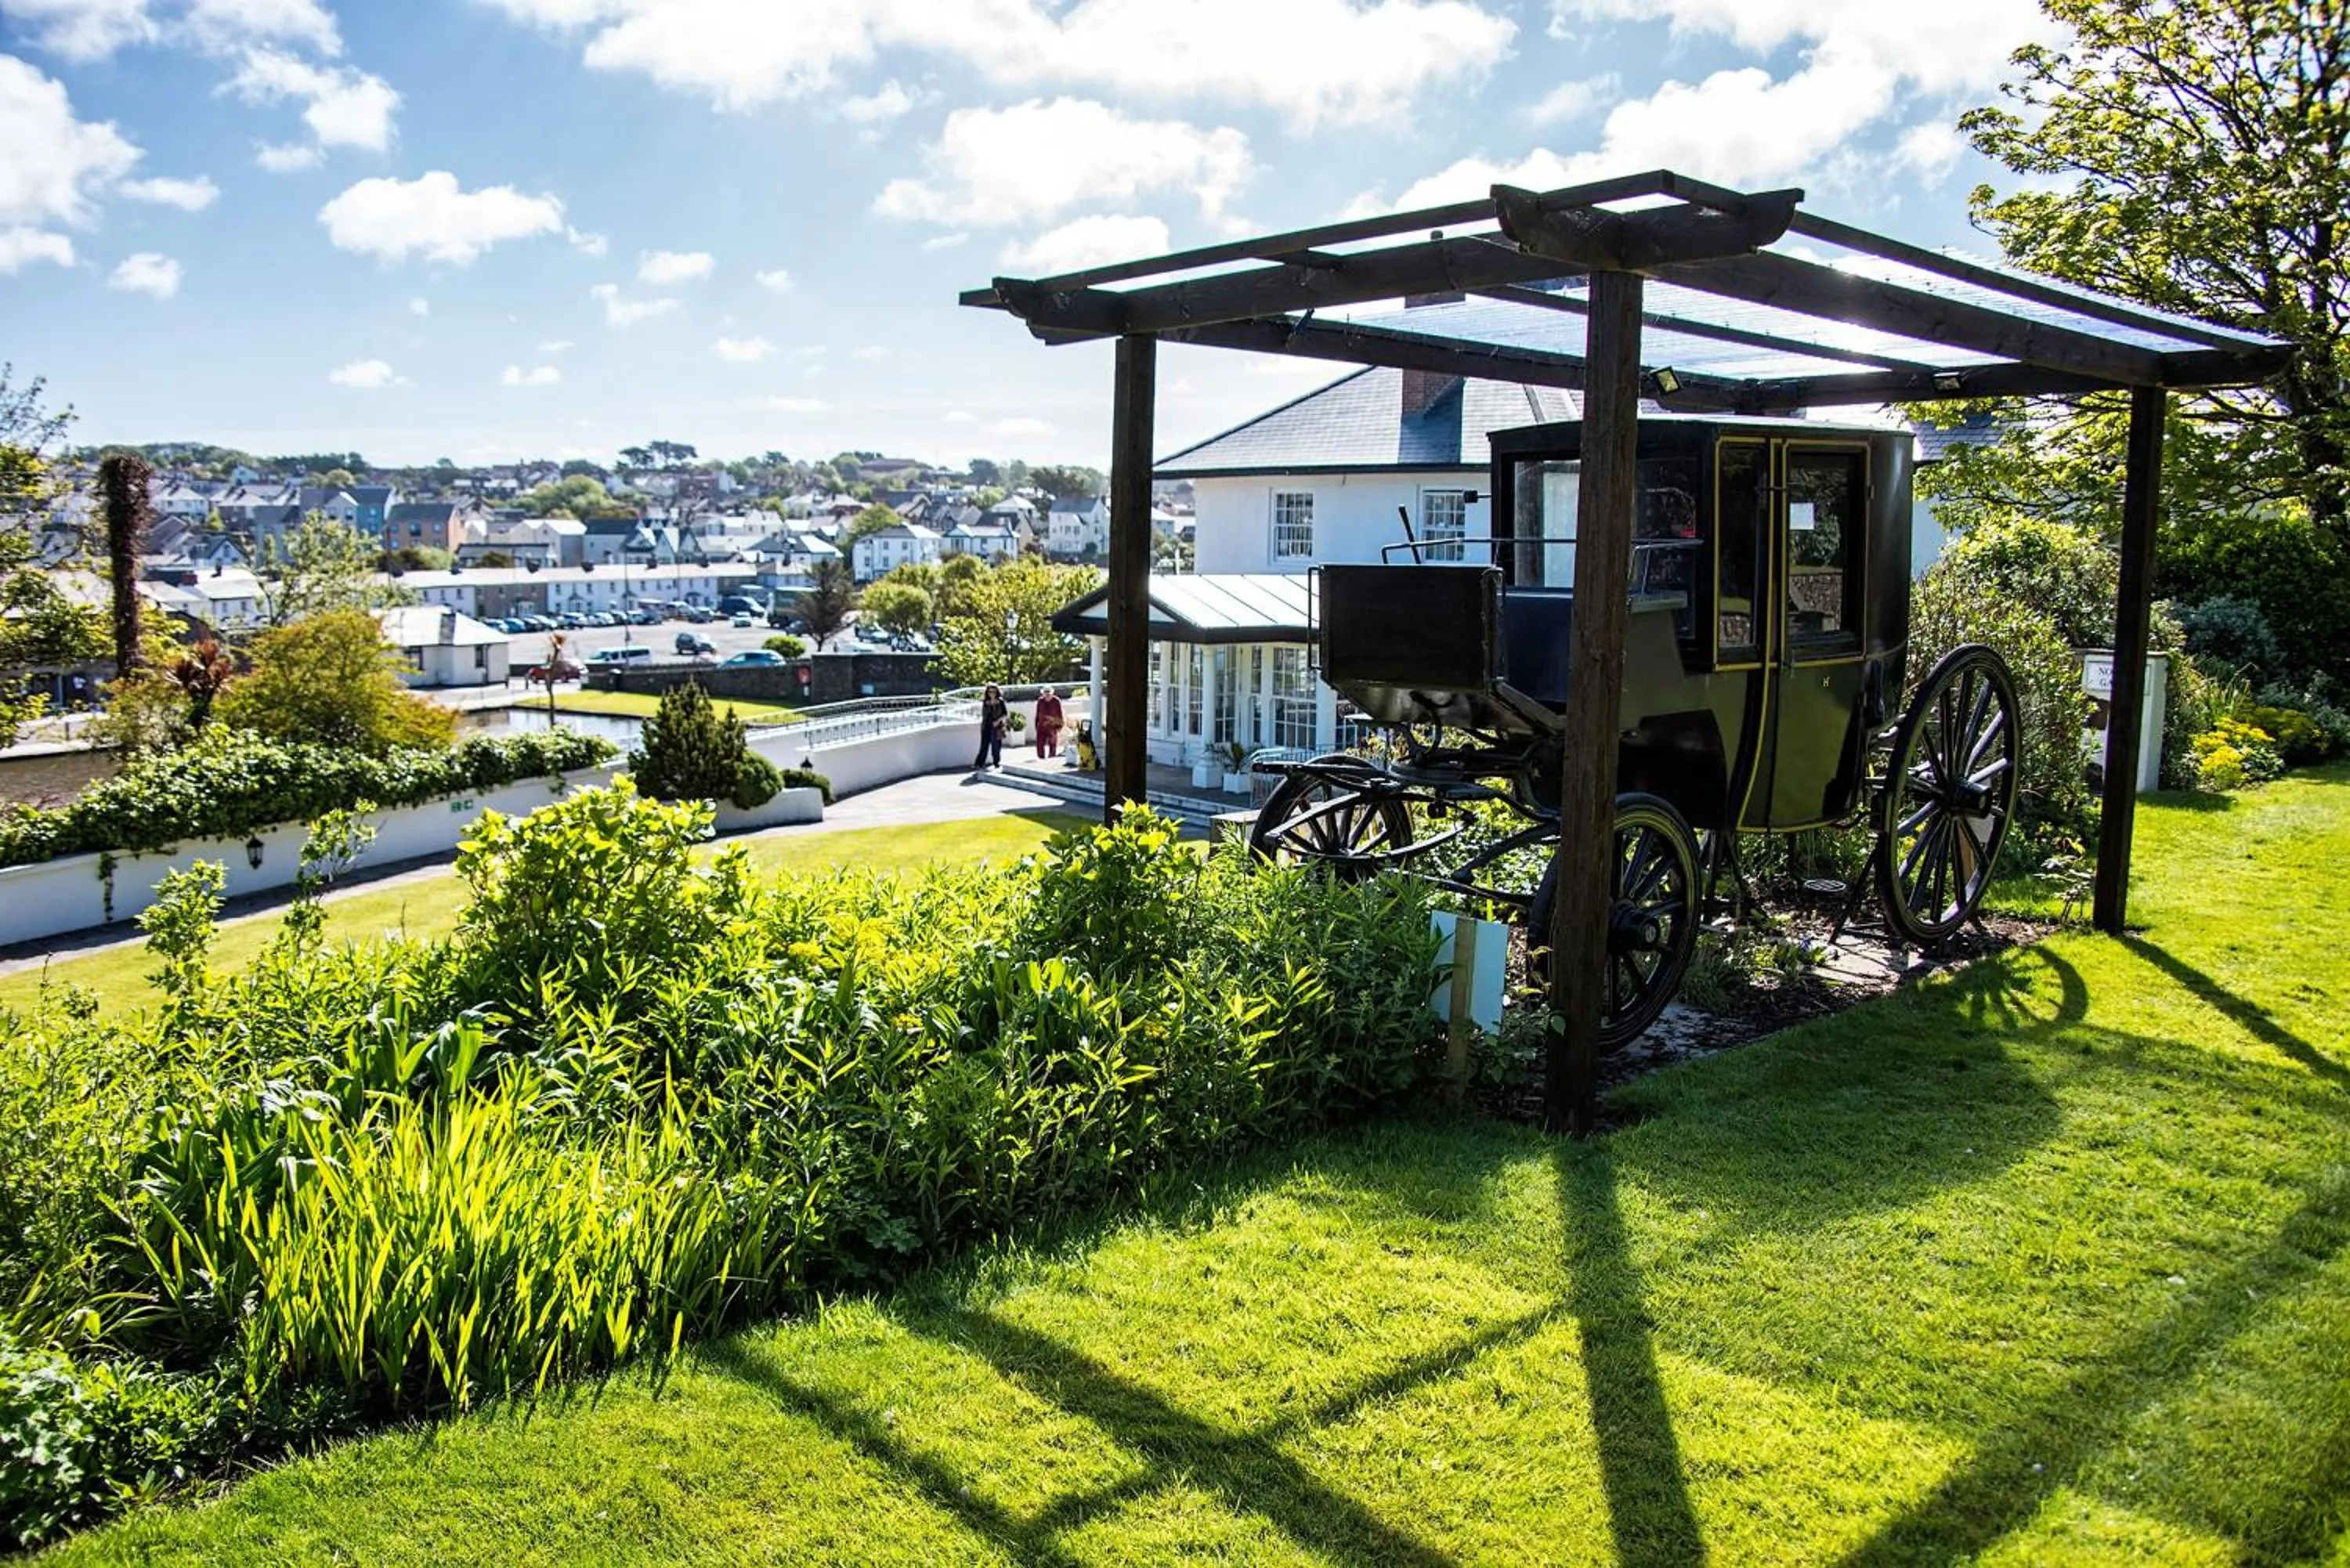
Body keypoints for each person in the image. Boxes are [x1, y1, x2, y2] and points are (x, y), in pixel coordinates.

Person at [974, 683, 1008, 771]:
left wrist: (998, 721)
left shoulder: (1001, 702)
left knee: (996, 746)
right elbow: (984, 715)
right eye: (990, 692)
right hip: (987, 726)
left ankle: (996, 763)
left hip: (997, 727)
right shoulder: (985, 702)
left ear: (997, 692)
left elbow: (1005, 714)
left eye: (994, 691)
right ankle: (979, 764)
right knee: (984, 746)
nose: (992, 693)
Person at [1033, 685, 1065, 759]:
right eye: (1045, 692)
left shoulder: (1056, 701)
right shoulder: (1040, 701)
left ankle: (1052, 756)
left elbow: (1060, 714)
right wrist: (1036, 724)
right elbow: (1038, 713)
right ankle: (1041, 757)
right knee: (1040, 743)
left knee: (1053, 742)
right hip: (1042, 725)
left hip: (1052, 725)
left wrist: (1060, 725)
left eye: (1048, 692)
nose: (1047, 694)